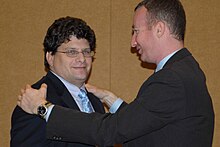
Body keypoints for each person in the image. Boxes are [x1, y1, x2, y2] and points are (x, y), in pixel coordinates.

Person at [17, 0, 215, 147]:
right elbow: (139, 126)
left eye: (136, 31)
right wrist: (113, 102)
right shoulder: (31, 101)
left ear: (160, 29)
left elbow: (111, 130)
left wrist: (43, 109)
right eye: (71, 52)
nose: (133, 42)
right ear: (49, 57)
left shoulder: (172, 78)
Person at [11, 16, 106, 147]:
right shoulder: (34, 101)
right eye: (72, 52)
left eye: (86, 52)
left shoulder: (95, 100)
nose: (82, 59)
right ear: (50, 57)